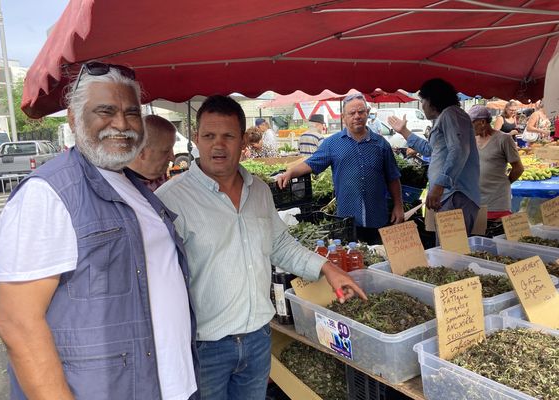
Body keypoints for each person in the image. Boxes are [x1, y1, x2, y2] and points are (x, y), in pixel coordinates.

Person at [0, 63, 198, 400]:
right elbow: (17, 323)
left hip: (171, 386)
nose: (121, 124)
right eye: (106, 110)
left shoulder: (130, 184)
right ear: (73, 119)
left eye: (132, 113)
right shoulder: (48, 194)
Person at [156, 95, 366, 400]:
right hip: (205, 348)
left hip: (257, 340)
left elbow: (280, 244)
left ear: (242, 140)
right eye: (208, 136)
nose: (218, 145)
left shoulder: (258, 190)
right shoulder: (171, 199)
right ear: (196, 139)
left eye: (227, 136)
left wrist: (328, 268)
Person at [277, 93, 404, 244]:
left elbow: (393, 177)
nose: (357, 116)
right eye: (352, 113)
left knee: (379, 259)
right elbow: (311, 163)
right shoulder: (333, 144)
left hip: (378, 219)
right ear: (344, 117)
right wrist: (291, 172)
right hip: (347, 221)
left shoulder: (381, 144)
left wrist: (399, 205)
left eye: (361, 112)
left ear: (367, 114)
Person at [388, 78, 480, 233]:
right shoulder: (446, 117)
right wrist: (404, 131)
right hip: (450, 196)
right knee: (448, 250)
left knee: (452, 252)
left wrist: (439, 185)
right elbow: (431, 150)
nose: (422, 106)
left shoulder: (451, 114)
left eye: (422, 101)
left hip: (456, 195)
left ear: (431, 100)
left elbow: (459, 151)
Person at [468, 105, 523, 233]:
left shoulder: (504, 139)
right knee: (480, 240)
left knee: (497, 236)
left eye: (471, 123)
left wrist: (505, 182)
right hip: (477, 200)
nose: (469, 127)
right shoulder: (472, 140)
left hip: (497, 200)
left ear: (482, 122)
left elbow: (518, 168)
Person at [127, 114, 176, 191]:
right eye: (166, 151)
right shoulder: (119, 189)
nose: (173, 158)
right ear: (141, 151)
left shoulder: (160, 175)